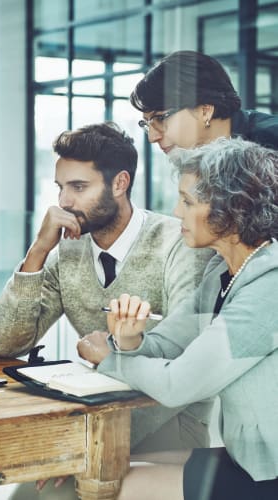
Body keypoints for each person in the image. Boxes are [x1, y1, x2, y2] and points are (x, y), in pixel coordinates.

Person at [0, 122, 214, 499]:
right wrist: (38, 252)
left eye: (79, 187)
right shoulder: (69, 251)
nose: (64, 202)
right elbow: (7, 340)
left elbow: (181, 360)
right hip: (95, 413)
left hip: (169, 418)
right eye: (60, 187)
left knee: (53, 493)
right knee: (25, 493)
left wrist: (83, 446)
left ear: (120, 183)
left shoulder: (179, 244)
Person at [78, 137, 278, 500]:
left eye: (188, 201)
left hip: (268, 474)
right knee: (110, 464)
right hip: (247, 458)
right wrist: (128, 340)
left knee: (120, 486)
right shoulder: (223, 270)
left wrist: (109, 359)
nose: (175, 212)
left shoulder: (270, 289)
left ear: (231, 208)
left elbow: (178, 384)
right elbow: (167, 343)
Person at [130, 50, 278, 154]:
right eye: (148, 124)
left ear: (205, 111)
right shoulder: (200, 154)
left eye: (160, 119)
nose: (152, 138)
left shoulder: (270, 145)